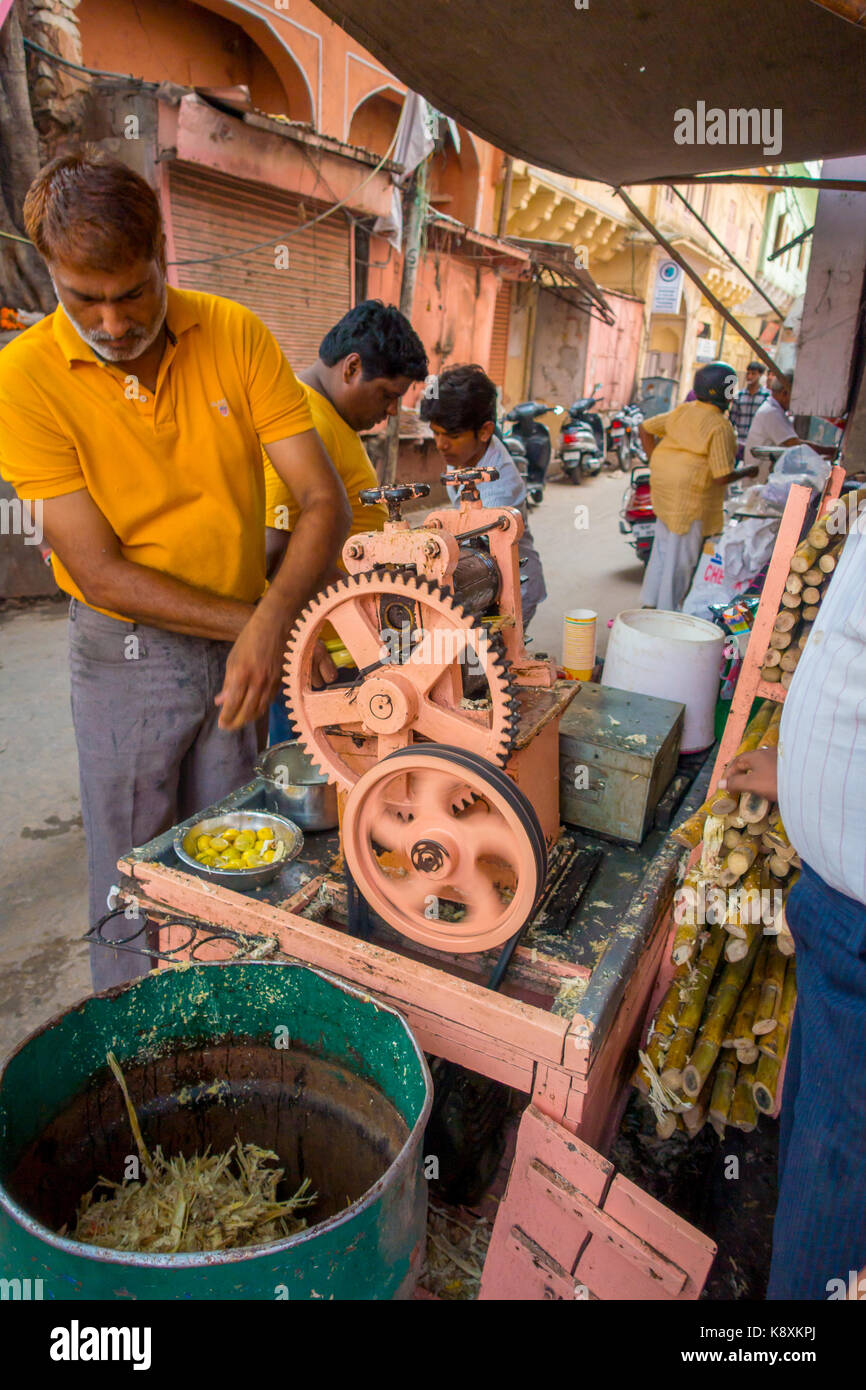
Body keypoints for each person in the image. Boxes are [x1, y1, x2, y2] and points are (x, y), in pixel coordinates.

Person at [0, 152, 351, 991]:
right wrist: (266, 627)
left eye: (133, 292)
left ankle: (215, 1017)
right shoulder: (24, 380)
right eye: (86, 298)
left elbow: (321, 501)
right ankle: (130, 1045)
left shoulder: (234, 332)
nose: (114, 323)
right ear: (51, 272)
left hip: (240, 639)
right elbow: (100, 570)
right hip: (124, 654)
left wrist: (270, 625)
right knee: (131, 870)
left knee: (227, 848)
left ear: (163, 252)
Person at [718, 513, 866, 1301]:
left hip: (861, 929)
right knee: (818, 1147)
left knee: (840, 1183)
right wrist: (805, 764)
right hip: (839, 921)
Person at [264, 300, 429, 743]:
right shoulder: (307, 419)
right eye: (389, 395)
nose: (392, 411)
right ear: (352, 367)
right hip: (322, 655)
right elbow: (273, 548)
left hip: (347, 642)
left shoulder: (330, 419)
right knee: (313, 780)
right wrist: (300, 633)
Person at [419, 364, 547, 627]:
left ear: (485, 431)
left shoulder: (497, 494)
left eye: (451, 436)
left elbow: (476, 558)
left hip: (510, 590)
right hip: (486, 579)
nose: (441, 444)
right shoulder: (465, 450)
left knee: (496, 664)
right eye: (436, 433)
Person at [638, 361, 757, 611]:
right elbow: (721, 475)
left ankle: (650, 603)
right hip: (689, 496)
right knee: (680, 560)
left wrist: (654, 459)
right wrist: (750, 470)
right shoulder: (720, 426)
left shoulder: (684, 410)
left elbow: (645, 428)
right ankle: (666, 613)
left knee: (662, 549)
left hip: (663, 486)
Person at [743, 373, 802, 483]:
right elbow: (794, 443)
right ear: (785, 393)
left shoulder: (774, 410)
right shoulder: (772, 413)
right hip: (759, 479)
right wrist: (828, 451)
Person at [729, 359, 770, 459]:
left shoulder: (767, 396)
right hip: (740, 441)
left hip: (758, 442)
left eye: (753, 374)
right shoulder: (739, 395)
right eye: (748, 373)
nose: (750, 376)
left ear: (760, 375)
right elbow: (732, 419)